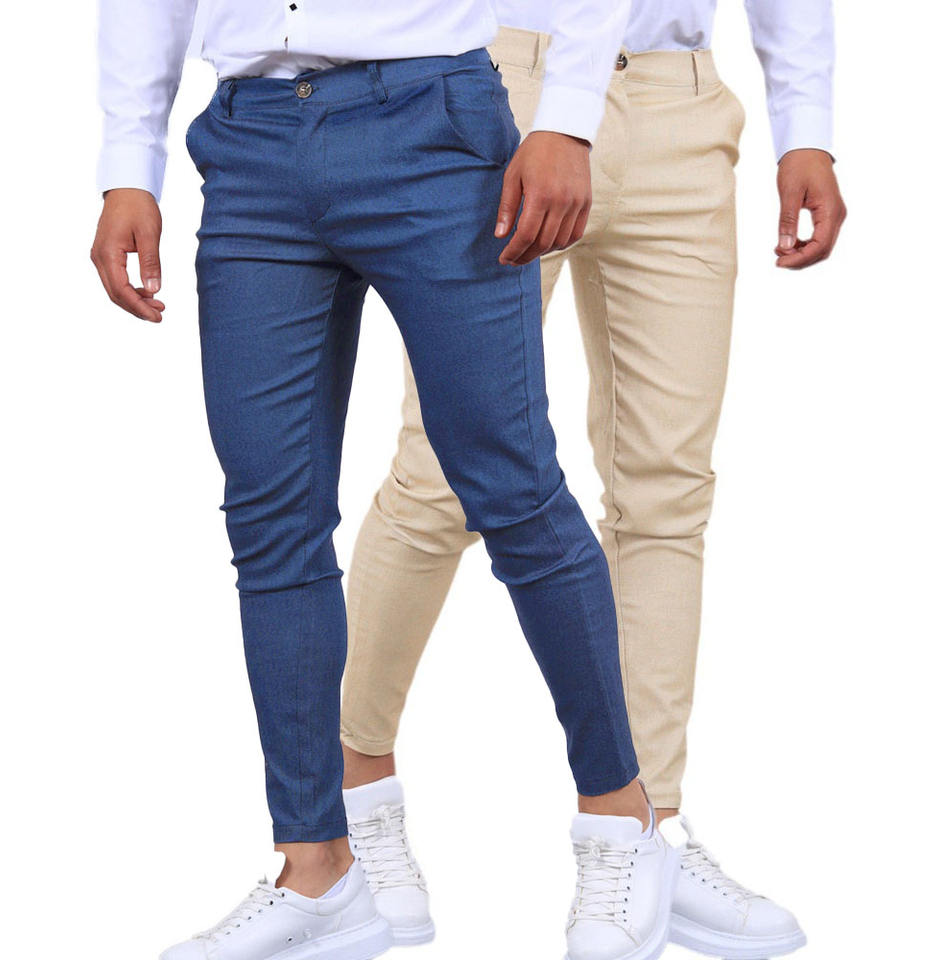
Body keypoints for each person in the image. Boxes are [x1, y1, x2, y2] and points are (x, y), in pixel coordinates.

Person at [91, 3, 682, 960]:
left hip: (433, 124)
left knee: (512, 489)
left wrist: (569, 116)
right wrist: (129, 163)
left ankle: (624, 821)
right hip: (250, 144)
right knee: (270, 523)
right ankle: (319, 872)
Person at [339, 2, 846, 958]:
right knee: (443, 474)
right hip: (504, 90)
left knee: (666, 492)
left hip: (678, 106)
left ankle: (642, 834)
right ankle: (345, 811)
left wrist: (805, 125)